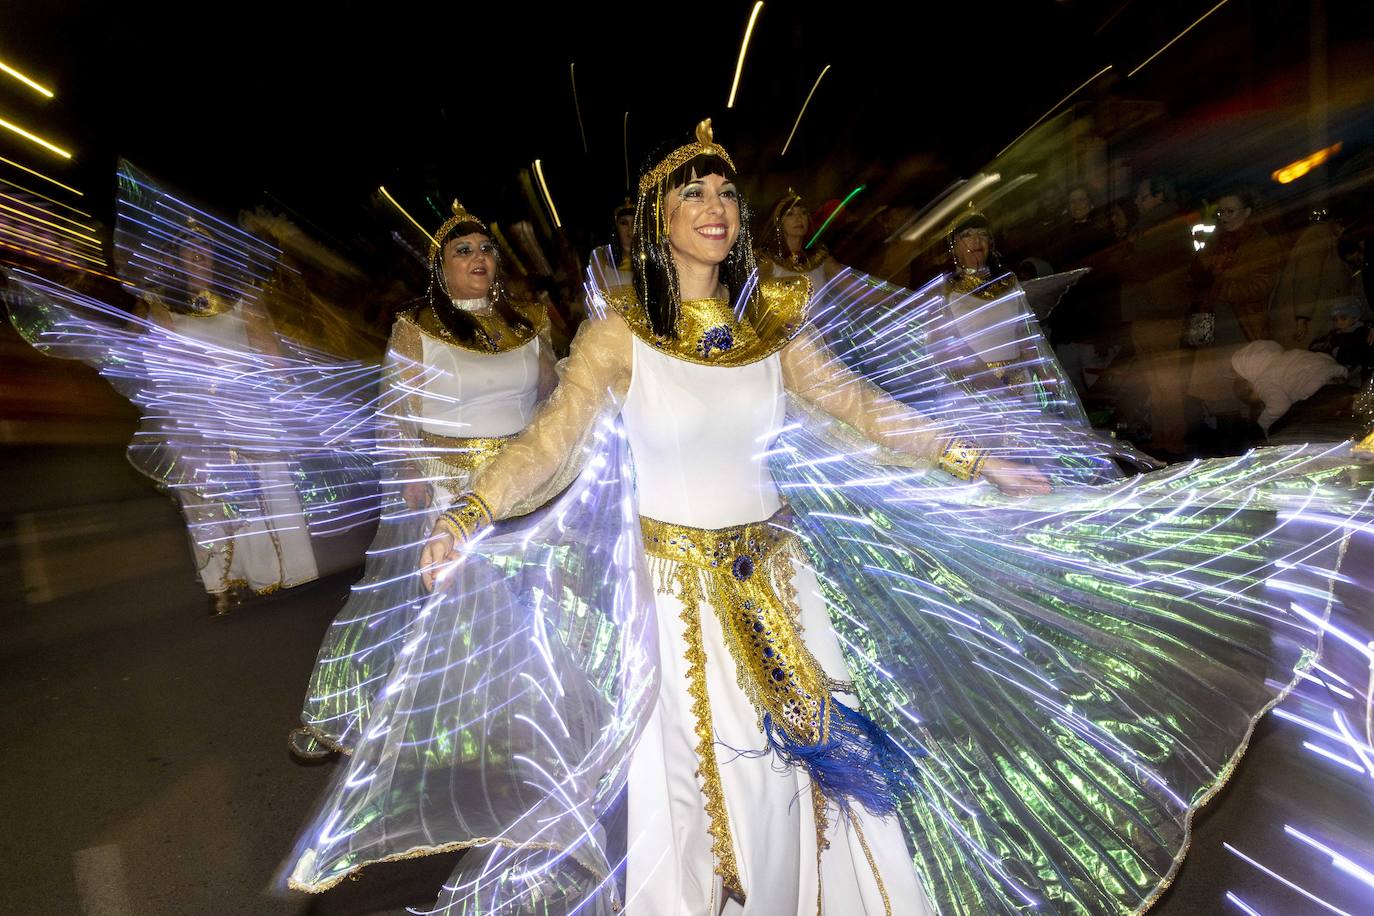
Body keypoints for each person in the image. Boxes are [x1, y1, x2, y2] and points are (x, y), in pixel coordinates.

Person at [281, 122, 1373, 916]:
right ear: (659, 220)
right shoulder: (618, 338)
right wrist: (469, 506)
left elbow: (857, 403)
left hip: (782, 580)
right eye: (694, 194)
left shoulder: (771, 321)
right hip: (676, 599)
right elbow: (551, 440)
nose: (718, 209)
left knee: (820, 765)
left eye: (728, 196)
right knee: (704, 783)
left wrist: (970, 454)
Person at [287, 200, 556, 757]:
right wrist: (407, 472)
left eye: (485, 248)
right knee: (402, 604)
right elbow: (394, 410)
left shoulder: (529, 322)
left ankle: (513, 720)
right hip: (443, 483)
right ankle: (347, 714)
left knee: (524, 604)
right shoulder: (417, 328)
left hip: (517, 483)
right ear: (442, 267)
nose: (478, 257)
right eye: (463, 251)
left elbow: (554, 402)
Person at [1119, 175, 1193, 456]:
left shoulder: (1159, 226)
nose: (1138, 202)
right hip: (1155, 313)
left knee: (1164, 383)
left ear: (1159, 196)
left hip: (1158, 314)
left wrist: (1122, 257)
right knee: (1159, 383)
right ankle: (1165, 441)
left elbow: (1140, 267)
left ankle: (1172, 444)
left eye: (1143, 196)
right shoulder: (1158, 225)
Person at [1193, 188, 1283, 343]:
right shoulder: (1215, 242)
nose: (1224, 217)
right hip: (1206, 317)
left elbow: (1261, 286)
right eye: (1221, 212)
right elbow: (1198, 272)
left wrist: (1217, 288)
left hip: (1241, 323)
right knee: (1203, 363)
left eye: (1230, 211)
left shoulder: (1262, 244)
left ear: (1247, 212)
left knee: (1232, 363)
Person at [755, 189, 842, 287]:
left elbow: (856, 289)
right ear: (779, 222)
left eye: (803, 213)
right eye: (790, 214)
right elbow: (753, 296)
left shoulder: (820, 260)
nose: (799, 218)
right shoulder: (767, 261)